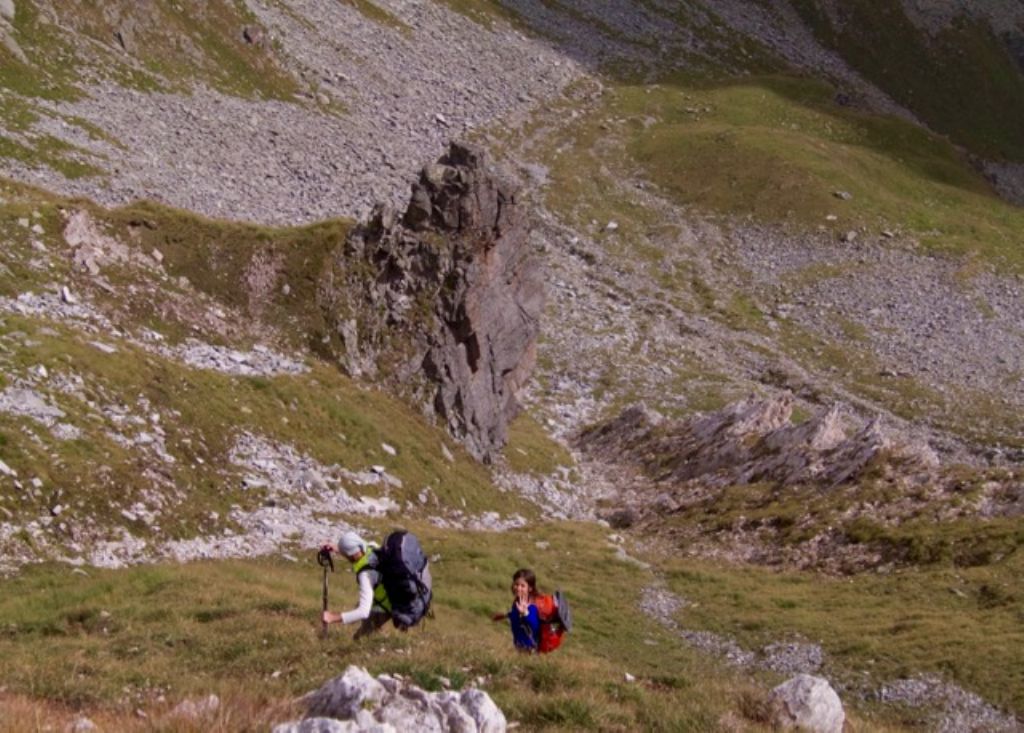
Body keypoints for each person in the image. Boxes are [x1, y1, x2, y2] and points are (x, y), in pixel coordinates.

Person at [320, 531, 392, 639]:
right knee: (360, 613)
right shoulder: (371, 547)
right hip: (389, 595)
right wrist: (336, 548)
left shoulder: (366, 575)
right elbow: (354, 553)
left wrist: (332, 618)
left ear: (350, 555)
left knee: (359, 639)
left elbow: (363, 612)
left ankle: (381, 642)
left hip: (386, 606)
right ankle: (379, 634)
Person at [492, 568, 564, 653]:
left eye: (522, 586)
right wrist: (505, 615)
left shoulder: (532, 605)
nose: (518, 588)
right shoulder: (518, 602)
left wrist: (525, 613)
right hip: (520, 647)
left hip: (529, 650)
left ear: (530, 588)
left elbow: (535, 625)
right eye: (516, 584)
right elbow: (516, 614)